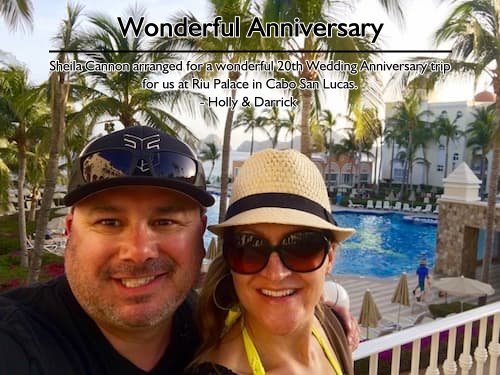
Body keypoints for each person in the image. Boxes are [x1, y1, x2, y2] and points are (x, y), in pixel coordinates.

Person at [0, 126, 358, 374]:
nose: (138, 252)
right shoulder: (18, 342)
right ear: (70, 231)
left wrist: (325, 304)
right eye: (109, 222)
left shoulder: (200, 323)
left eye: (165, 222)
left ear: (201, 237)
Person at [186, 149, 356, 375]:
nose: (276, 274)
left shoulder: (333, 327)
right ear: (230, 258)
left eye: (301, 247)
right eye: (250, 247)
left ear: (329, 258)